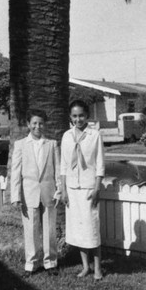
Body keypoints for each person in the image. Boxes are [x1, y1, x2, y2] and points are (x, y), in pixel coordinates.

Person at [10, 109, 61, 278]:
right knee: (30, 229)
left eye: (40, 123)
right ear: (28, 125)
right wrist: (16, 195)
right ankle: (31, 263)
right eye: (34, 123)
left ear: (44, 124)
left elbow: (58, 170)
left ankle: (50, 262)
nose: (37, 126)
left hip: (49, 192)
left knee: (49, 229)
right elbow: (16, 171)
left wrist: (59, 190)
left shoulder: (51, 144)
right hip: (28, 193)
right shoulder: (20, 144)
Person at [60, 100, 105, 280]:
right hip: (72, 189)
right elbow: (63, 165)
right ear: (70, 117)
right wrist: (63, 189)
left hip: (88, 188)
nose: (78, 119)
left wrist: (96, 188)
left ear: (87, 116)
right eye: (74, 116)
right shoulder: (66, 136)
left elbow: (100, 163)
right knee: (78, 231)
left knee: (91, 230)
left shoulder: (94, 135)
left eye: (81, 116)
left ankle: (98, 269)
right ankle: (86, 267)